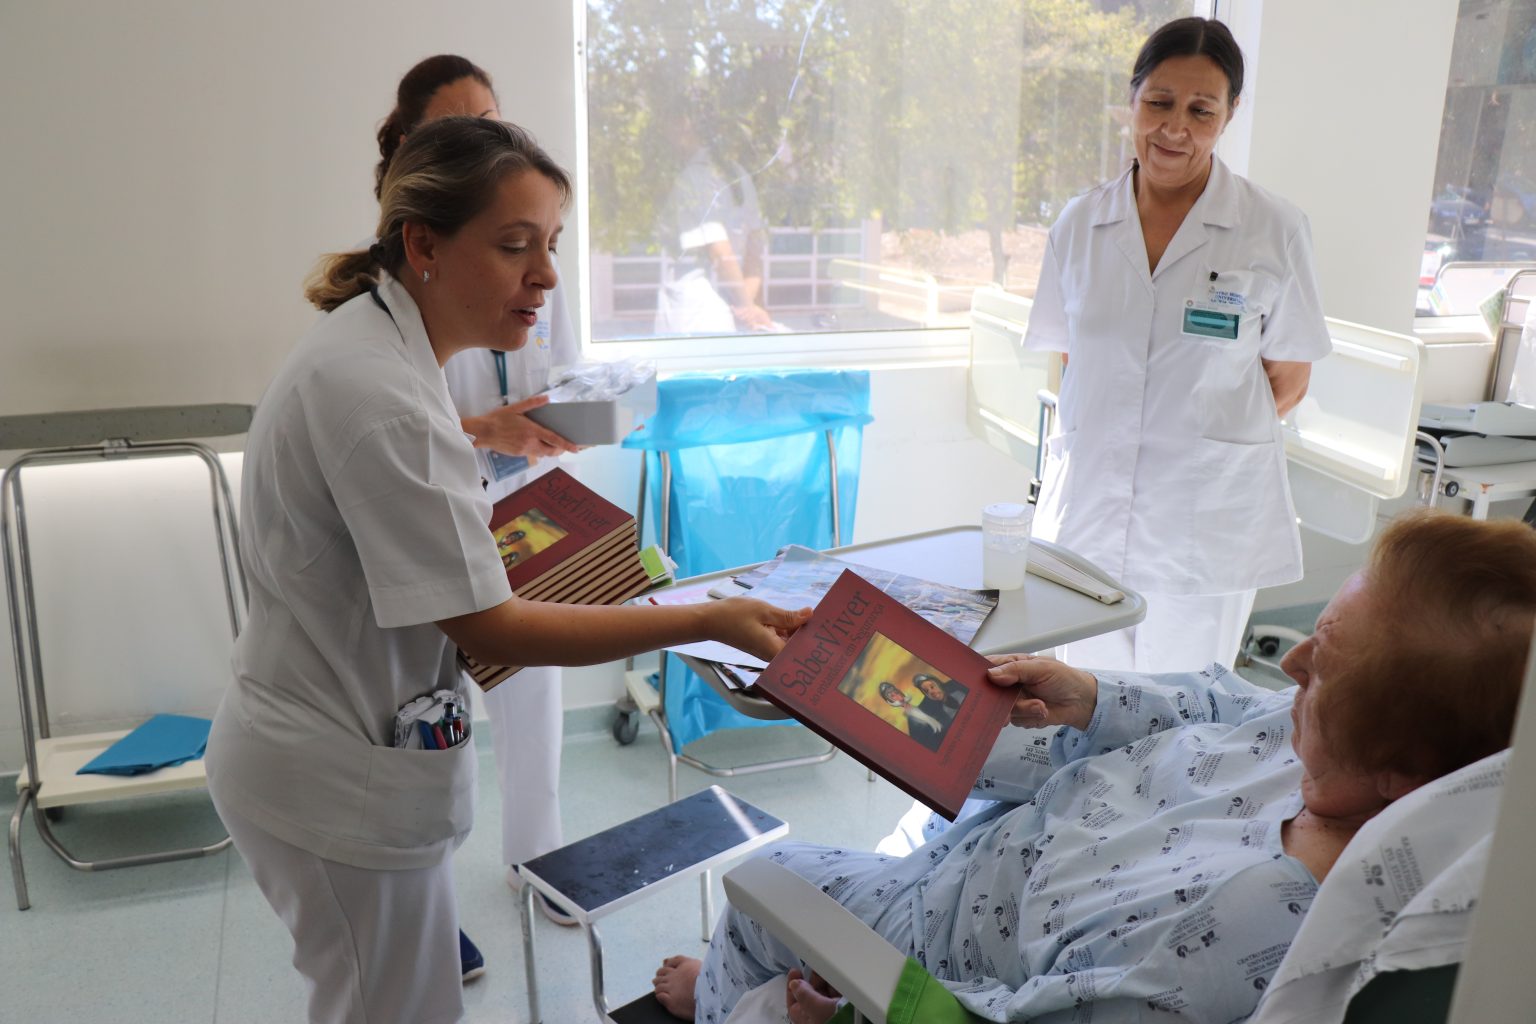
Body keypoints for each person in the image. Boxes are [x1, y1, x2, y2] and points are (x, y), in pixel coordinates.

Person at [204, 117, 808, 1024]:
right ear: (424, 245)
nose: (547, 276)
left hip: (336, 745)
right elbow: (491, 625)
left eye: (552, 245)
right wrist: (702, 618)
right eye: (515, 245)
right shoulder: (380, 394)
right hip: (330, 776)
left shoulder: (381, 349)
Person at [650, 509, 1536, 1023]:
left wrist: (855, 1013)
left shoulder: (1239, 933)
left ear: (1400, 772)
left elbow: (1025, 1018)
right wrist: (1091, 695)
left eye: (1326, 665)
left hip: (945, 934)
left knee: (766, 889)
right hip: (1019, 828)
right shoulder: (1321, 745)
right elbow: (1226, 701)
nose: (1293, 660)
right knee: (910, 718)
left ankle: (721, 1000)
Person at [1024, 17, 1332, 673]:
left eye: (1201, 110)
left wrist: (1192, 442)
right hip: (1089, 515)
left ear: (1230, 114)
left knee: (1188, 713)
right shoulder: (1079, 225)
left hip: (1204, 524)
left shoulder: (1272, 229)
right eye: (1159, 103)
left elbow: (1288, 380)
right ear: (1132, 100)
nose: (1174, 128)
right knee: (1078, 699)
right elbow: (1075, 360)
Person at [375, 54, 588, 937]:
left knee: (535, 699)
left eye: (493, 121)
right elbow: (391, 430)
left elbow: (563, 371)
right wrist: (482, 432)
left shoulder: (530, 257)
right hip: (433, 509)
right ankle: (426, 906)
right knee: (432, 713)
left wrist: (577, 414)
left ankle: (540, 861)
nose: (483, 140)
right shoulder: (402, 278)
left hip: (526, 507)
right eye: (455, 127)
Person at [654, 110, 775, 335]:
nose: (665, 136)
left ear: (684, 124)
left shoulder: (694, 178)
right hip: (726, 311)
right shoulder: (740, 175)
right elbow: (754, 249)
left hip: (698, 314)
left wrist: (746, 307)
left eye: (666, 126)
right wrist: (747, 306)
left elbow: (720, 252)